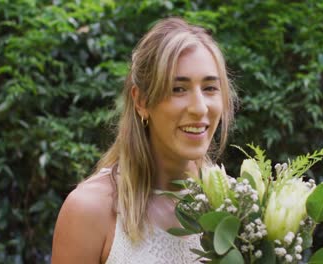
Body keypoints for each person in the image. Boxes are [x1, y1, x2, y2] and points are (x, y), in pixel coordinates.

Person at [51, 17, 237, 263]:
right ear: (141, 101)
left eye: (210, 88)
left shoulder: (238, 206)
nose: (200, 108)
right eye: (178, 89)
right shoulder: (89, 210)